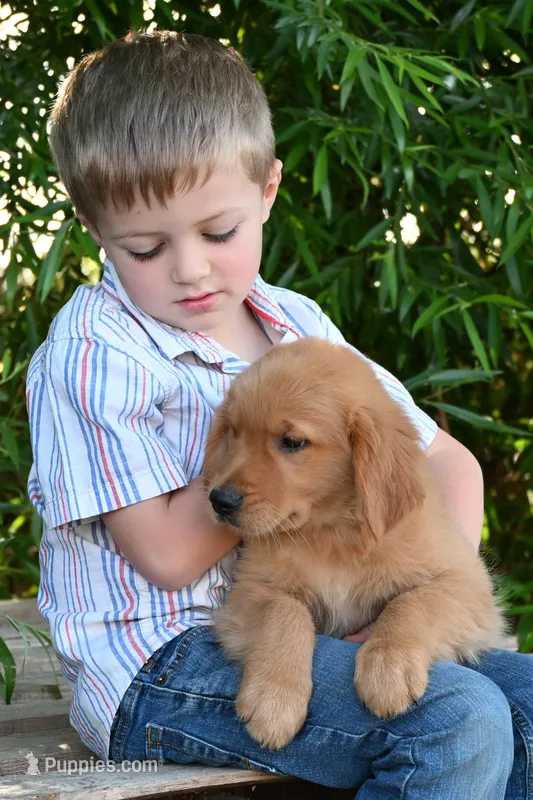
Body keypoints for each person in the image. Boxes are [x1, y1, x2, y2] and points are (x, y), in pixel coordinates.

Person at [26, 29, 531, 798]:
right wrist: (282, 460)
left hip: (330, 625)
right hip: (160, 666)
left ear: (266, 190)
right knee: (454, 719)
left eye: (218, 232)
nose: (190, 269)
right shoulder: (92, 355)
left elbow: (444, 463)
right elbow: (166, 553)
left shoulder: (294, 322)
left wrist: (412, 604)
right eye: (145, 248)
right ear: (94, 228)